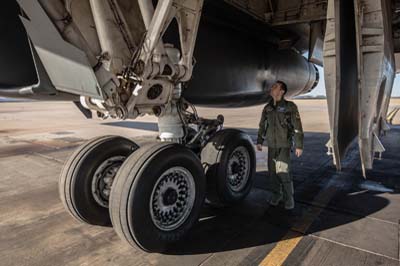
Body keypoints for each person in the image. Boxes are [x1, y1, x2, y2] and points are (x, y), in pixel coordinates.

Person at [256, 81, 304, 210]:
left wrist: (299, 145)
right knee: (273, 174)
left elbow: (297, 127)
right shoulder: (267, 108)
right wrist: (259, 140)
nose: (272, 88)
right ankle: (277, 195)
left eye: (275, 87)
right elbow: (262, 125)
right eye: (272, 87)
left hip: (284, 145)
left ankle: (289, 199)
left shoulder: (290, 107)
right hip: (271, 145)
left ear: (282, 91)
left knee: (283, 172)